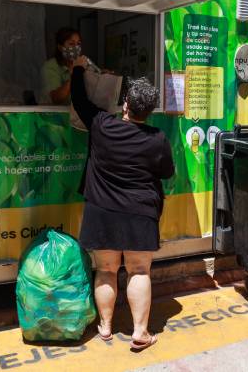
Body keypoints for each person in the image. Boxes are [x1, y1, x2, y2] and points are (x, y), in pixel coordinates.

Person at [70, 54, 174, 352]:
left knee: (105, 270)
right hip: (140, 213)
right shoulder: (157, 139)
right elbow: (166, 172)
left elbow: (79, 100)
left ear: (125, 104)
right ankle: (140, 332)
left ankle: (105, 327)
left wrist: (78, 69)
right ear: (150, 111)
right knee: (139, 270)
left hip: (101, 212)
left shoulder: (103, 125)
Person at [40, 28, 82, 105]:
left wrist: (102, 75)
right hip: (54, 115)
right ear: (60, 47)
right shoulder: (50, 67)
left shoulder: (82, 63)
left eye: (78, 44)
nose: (76, 47)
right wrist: (75, 74)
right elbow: (56, 98)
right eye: (71, 44)